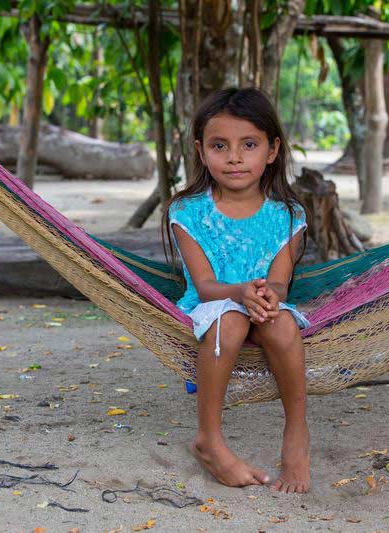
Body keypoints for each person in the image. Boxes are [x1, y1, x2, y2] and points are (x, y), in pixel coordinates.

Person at [161, 87, 312, 493]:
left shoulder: (287, 216)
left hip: (264, 306)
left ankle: (296, 433)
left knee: (282, 327)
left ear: (272, 150)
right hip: (212, 305)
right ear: (200, 150)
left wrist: (267, 295)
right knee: (229, 320)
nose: (234, 157)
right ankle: (209, 439)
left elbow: (280, 281)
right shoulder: (188, 213)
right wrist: (241, 292)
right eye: (219, 145)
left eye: (249, 144)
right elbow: (205, 285)